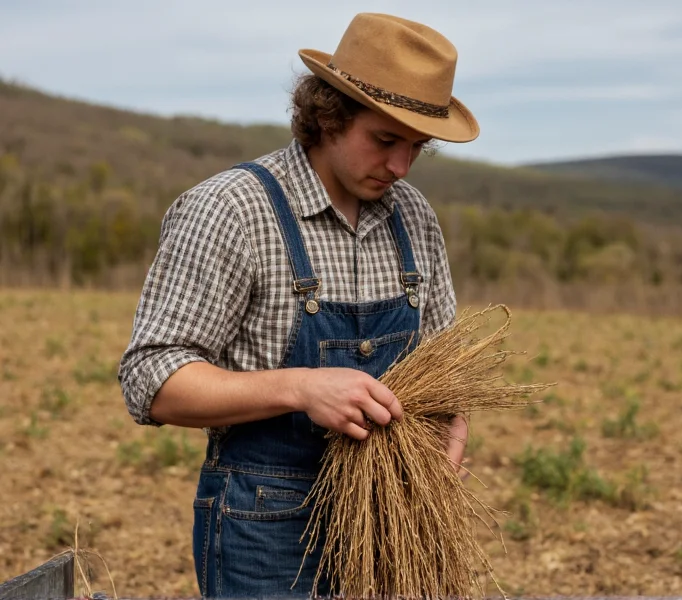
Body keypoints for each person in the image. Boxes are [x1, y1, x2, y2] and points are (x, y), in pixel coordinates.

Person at [118, 12, 480, 599]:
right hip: (266, 528)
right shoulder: (232, 210)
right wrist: (302, 387)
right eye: (384, 140)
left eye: (416, 147)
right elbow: (150, 380)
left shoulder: (413, 216)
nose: (400, 167)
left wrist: (449, 442)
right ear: (328, 115)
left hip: (392, 526)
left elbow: (447, 376)